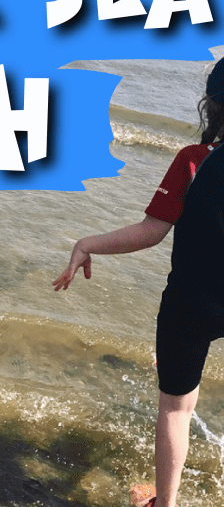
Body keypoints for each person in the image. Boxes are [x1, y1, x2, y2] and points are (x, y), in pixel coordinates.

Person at [54, 61, 224, 507]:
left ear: (213, 106)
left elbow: (151, 232)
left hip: (190, 305)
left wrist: (85, 244)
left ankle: (164, 504)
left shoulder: (193, 160)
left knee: (175, 407)